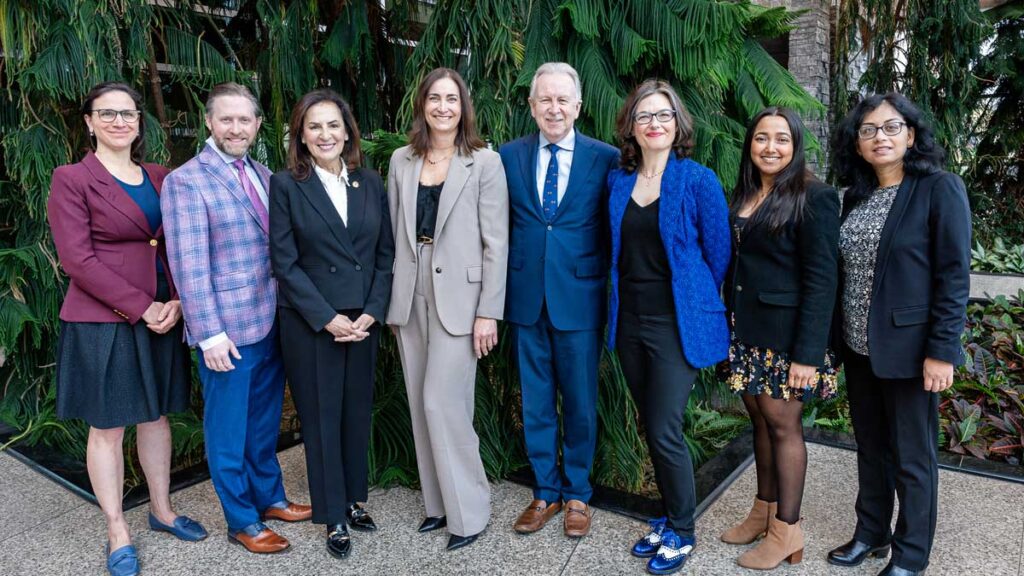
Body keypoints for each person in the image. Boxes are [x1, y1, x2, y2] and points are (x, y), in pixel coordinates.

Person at [46, 81, 207, 576]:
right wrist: (141, 307)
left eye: (128, 113)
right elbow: (78, 260)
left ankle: (162, 510)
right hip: (106, 321)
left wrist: (177, 299)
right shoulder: (72, 178)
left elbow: (180, 242)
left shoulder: (161, 176)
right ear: (89, 122)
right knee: (109, 426)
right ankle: (117, 528)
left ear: (140, 121)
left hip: (164, 313)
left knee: (156, 416)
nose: (120, 121)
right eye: (107, 113)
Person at [161, 82, 311, 555]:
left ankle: (269, 497)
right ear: (209, 122)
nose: (235, 128)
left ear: (258, 124)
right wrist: (209, 335)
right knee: (228, 430)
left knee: (265, 422)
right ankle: (242, 520)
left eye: (244, 119)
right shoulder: (187, 180)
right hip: (226, 331)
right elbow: (188, 263)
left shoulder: (265, 175)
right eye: (226, 119)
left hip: (270, 322)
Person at [826, 93, 971, 576]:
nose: (880, 137)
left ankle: (911, 556)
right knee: (871, 447)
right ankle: (871, 534)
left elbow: (953, 276)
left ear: (911, 135)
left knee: (913, 458)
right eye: (868, 130)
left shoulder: (939, 188)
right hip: (860, 346)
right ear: (858, 143)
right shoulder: (856, 197)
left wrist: (942, 352)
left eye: (891, 127)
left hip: (911, 353)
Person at [607, 80, 730, 576]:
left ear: (677, 124)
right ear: (631, 128)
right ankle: (668, 517)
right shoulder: (619, 182)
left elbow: (718, 256)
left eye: (663, 115)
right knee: (651, 425)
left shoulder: (698, 180)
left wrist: (695, 302)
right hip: (630, 321)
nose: (654, 123)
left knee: (664, 428)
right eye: (644, 116)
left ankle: (683, 529)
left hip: (676, 325)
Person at [385, 67, 509, 552]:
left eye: (451, 99)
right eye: (434, 98)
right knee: (419, 402)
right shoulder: (401, 160)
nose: (442, 107)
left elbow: (496, 243)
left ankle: (470, 512)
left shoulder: (484, 161)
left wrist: (488, 312)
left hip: (463, 295)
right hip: (410, 290)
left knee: (444, 401)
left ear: (463, 107)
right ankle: (438, 506)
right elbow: (395, 230)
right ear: (422, 105)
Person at [269, 89, 394, 559]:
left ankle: (352, 499)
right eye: (314, 126)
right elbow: (285, 263)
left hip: (363, 319)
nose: (325, 134)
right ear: (301, 135)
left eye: (333, 125)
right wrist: (327, 319)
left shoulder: (369, 181)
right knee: (321, 419)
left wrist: (371, 311)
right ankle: (332, 515)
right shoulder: (286, 185)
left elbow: (385, 254)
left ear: (347, 132)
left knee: (355, 414)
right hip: (311, 321)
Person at [499, 62, 619, 539]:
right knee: (536, 402)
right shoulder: (507, 157)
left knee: (581, 402)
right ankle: (545, 491)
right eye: (544, 99)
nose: (554, 108)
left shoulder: (605, 158)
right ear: (531, 106)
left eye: (562, 99)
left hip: (580, 299)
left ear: (578, 106)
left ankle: (578, 495)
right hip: (526, 298)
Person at [719, 107, 840, 569]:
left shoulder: (815, 197)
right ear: (750, 144)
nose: (771, 147)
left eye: (782, 139)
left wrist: (807, 355)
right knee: (760, 423)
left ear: (796, 146)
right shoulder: (748, 192)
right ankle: (762, 512)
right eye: (762, 138)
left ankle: (787, 530)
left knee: (784, 427)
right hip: (748, 333)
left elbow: (822, 280)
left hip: (789, 341)